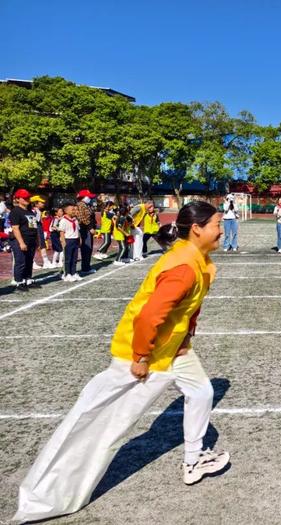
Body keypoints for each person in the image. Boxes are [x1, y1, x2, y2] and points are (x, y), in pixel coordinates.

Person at [14, 201, 230, 524]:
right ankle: (47, 496)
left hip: (172, 347)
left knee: (201, 392)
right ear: (196, 229)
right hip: (145, 352)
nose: (222, 231)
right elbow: (148, 316)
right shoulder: (184, 266)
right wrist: (141, 357)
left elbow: (189, 309)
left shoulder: (198, 259)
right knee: (103, 422)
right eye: (217, 225)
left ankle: (193, 459)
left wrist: (186, 339)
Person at [9, 189, 40, 291]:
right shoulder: (15, 211)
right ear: (18, 199)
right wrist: (21, 242)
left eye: (28, 197)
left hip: (31, 239)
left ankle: (28, 279)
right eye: (24, 197)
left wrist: (37, 240)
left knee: (29, 261)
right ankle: (19, 282)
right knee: (20, 261)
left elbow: (34, 226)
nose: (27, 199)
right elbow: (15, 228)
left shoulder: (30, 211)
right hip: (20, 240)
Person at [58, 202, 82, 282]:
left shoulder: (75, 220)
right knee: (68, 259)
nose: (74, 211)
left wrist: (79, 238)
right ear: (66, 211)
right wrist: (63, 241)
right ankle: (67, 274)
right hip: (68, 240)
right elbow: (61, 232)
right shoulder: (63, 220)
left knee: (74, 258)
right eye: (72, 210)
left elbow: (77, 230)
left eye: (75, 210)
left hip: (75, 240)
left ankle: (73, 272)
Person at [75, 189, 97, 274]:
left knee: (88, 248)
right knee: (86, 248)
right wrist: (90, 227)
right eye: (88, 197)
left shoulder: (86, 205)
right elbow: (82, 218)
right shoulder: (81, 205)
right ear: (83, 197)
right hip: (84, 229)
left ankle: (86, 266)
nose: (90, 198)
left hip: (87, 228)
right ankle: (85, 268)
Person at [30, 195, 52, 269]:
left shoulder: (38, 211)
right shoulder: (32, 211)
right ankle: (32, 262)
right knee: (35, 246)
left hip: (39, 229)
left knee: (42, 245)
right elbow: (32, 223)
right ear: (36, 203)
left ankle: (46, 261)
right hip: (35, 230)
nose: (43, 204)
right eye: (41, 202)